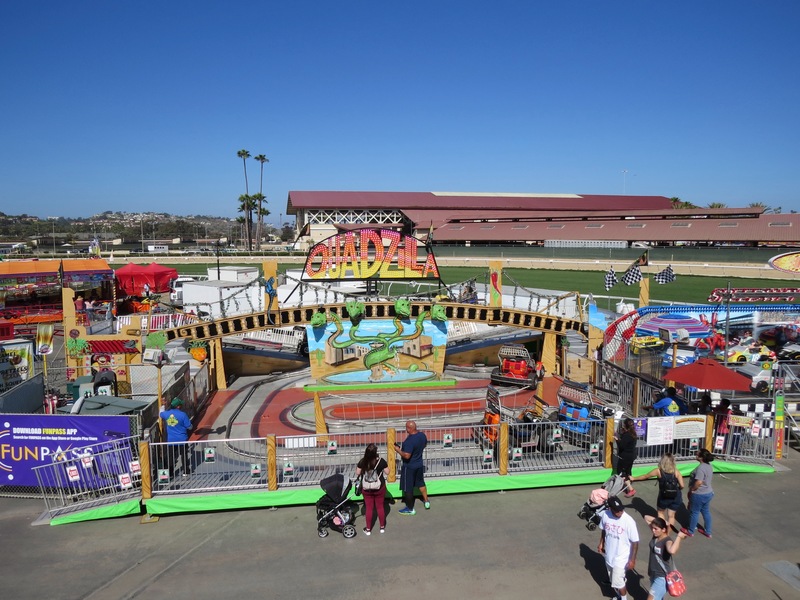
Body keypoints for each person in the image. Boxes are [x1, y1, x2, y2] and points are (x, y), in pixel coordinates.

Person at [597, 495, 639, 600]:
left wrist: (632, 560)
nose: (620, 512)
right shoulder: (605, 515)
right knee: (613, 581)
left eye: (621, 510)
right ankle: (619, 595)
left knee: (619, 583)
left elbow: (635, 542)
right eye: (617, 511)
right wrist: (601, 543)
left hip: (621, 558)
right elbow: (603, 530)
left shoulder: (629, 521)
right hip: (609, 555)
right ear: (610, 508)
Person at [630, 453, 685, 531]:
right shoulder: (676, 472)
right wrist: (678, 488)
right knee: (671, 516)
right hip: (675, 496)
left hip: (664, 496)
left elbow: (645, 476)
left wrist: (634, 478)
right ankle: (668, 533)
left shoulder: (658, 471)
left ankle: (662, 529)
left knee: (661, 512)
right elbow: (682, 485)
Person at [644, 515, 688, 600]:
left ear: (663, 530)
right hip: (653, 574)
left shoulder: (667, 541)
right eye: (653, 528)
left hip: (662, 577)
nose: (653, 530)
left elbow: (672, 551)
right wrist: (665, 522)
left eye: (656, 529)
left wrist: (679, 537)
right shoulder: (656, 536)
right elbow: (646, 517)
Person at [395, 420, 429, 515]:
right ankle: (426, 501)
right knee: (421, 483)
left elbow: (407, 456)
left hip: (409, 467)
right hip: (419, 464)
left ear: (409, 428)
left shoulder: (409, 441)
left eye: (406, 427)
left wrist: (398, 450)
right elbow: (424, 445)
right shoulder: (422, 435)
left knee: (408, 488)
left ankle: (410, 508)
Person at [355, 443, 389, 535]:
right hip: (379, 487)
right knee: (380, 507)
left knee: (369, 508)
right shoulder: (381, 461)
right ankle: (382, 527)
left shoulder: (362, 461)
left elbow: (357, 473)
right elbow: (388, 472)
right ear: (376, 452)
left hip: (367, 489)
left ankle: (368, 529)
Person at [681, 448, 715, 538]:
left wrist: (692, 489)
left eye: (697, 454)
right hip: (708, 492)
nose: (695, 455)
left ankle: (690, 531)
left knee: (694, 512)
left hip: (699, 494)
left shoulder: (701, 468)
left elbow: (699, 482)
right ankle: (708, 531)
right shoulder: (709, 466)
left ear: (701, 457)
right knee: (706, 511)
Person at [160, 397, 193, 477]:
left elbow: (161, 413)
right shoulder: (183, 415)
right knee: (184, 455)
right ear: (178, 406)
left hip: (171, 440)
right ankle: (186, 471)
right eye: (180, 404)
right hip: (182, 439)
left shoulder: (167, 414)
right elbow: (189, 427)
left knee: (170, 456)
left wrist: (163, 405)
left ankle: (170, 473)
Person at [615, 418, 638, 497]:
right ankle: (627, 484)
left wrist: (617, 440)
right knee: (628, 471)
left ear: (625, 425)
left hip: (625, 456)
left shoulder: (627, 435)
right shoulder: (633, 433)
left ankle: (631, 489)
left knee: (621, 473)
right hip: (631, 456)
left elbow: (622, 446)